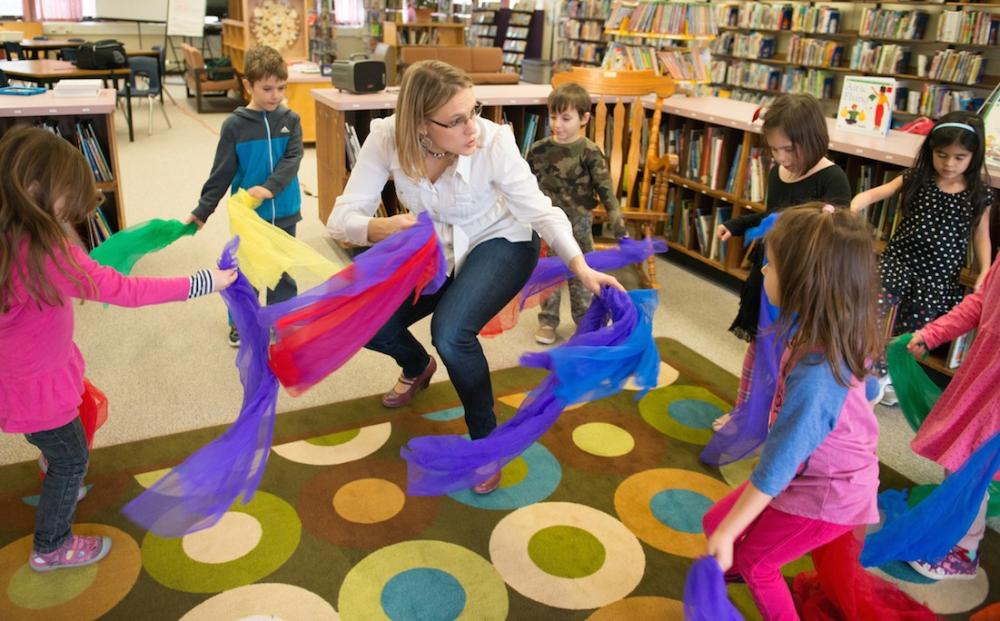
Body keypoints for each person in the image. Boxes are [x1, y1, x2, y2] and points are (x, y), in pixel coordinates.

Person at [326, 60, 622, 494]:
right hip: (435, 249)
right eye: (458, 120)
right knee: (365, 319)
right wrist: (378, 228)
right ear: (420, 125)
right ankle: (415, 365)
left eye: (475, 111)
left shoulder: (494, 141)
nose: (473, 128)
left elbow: (540, 210)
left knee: (451, 332)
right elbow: (340, 219)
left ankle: (487, 442)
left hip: (500, 241)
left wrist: (580, 265)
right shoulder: (386, 137)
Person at [0, 126, 235, 572]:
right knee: (73, 458)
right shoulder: (46, 251)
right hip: (35, 384)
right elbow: (124, 289)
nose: (72, 214)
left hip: (21, 374)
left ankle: (51, 460)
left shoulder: (12, 235)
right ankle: (51, 545)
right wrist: (206, 281)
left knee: (54, 438)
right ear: (34, 190)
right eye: (67, 201)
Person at [704, 204, 883, 620]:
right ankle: (734, 565)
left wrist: (734, 531)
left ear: (806, 282)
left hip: (827, 493)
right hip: (809, 473)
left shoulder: (819, 374)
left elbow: (779, 463)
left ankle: (747, 571)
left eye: (771, 265)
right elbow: (869, 386)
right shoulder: (825, 326)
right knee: (716, 521)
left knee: (757, 564)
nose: (763, 271)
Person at [712, 93, 851, 430]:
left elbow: (836, 237)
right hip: (769, 277)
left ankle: (781, 423)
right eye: (774, 150)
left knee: (791, 359)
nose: (780, 158)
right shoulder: (778, 174)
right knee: (759, 351)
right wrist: (737, 225)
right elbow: (773, 215)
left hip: (802, 287)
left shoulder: (832, 179)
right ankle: (746, 411)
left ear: (812, 140)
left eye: (788, 150)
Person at [851, 111, 993, 404]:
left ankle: (885, 377)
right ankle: (866, 371)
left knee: (911, 335)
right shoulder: (917, 177)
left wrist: (985, 272)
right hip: (898, 261)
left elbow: (981, 235)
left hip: (936, 279)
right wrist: (853, 207)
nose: (949, 163)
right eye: (942, 155)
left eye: (959, 157)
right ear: (931, 151)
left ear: (973, 157)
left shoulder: (979, 195)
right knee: (871, 311)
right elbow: (878, 193)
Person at [186, 45, 304, 347]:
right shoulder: (235, 126)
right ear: (248, 85)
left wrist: (271, 187)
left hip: (286, 211)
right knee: (247, 272)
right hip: (250, 216)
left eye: (281, 87)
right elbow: (221, 172)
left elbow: (293, 159)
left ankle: (281, 319)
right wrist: (203, 210)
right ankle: (243, 322)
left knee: (282, 271)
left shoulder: (290, 119)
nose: (275, 95)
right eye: (267, 88)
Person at [904, 253, 1000, 580]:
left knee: (973, 466)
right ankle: (955, 532)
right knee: (960, 460)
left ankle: (964, 551)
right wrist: (933, 333)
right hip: (980, 380)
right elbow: (979, 303)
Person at [527, 82, 627, 345]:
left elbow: (605, 189)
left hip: (580, 223)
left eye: (566, 118)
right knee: (548, 272)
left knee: (582, 274)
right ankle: (547, 321)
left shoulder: (591, 152)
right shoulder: (539, 150)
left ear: (584, 118)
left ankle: (584, 323)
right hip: (547, 223)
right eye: (553, 116)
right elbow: (524, 185)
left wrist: (616, 218)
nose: (557, 124)